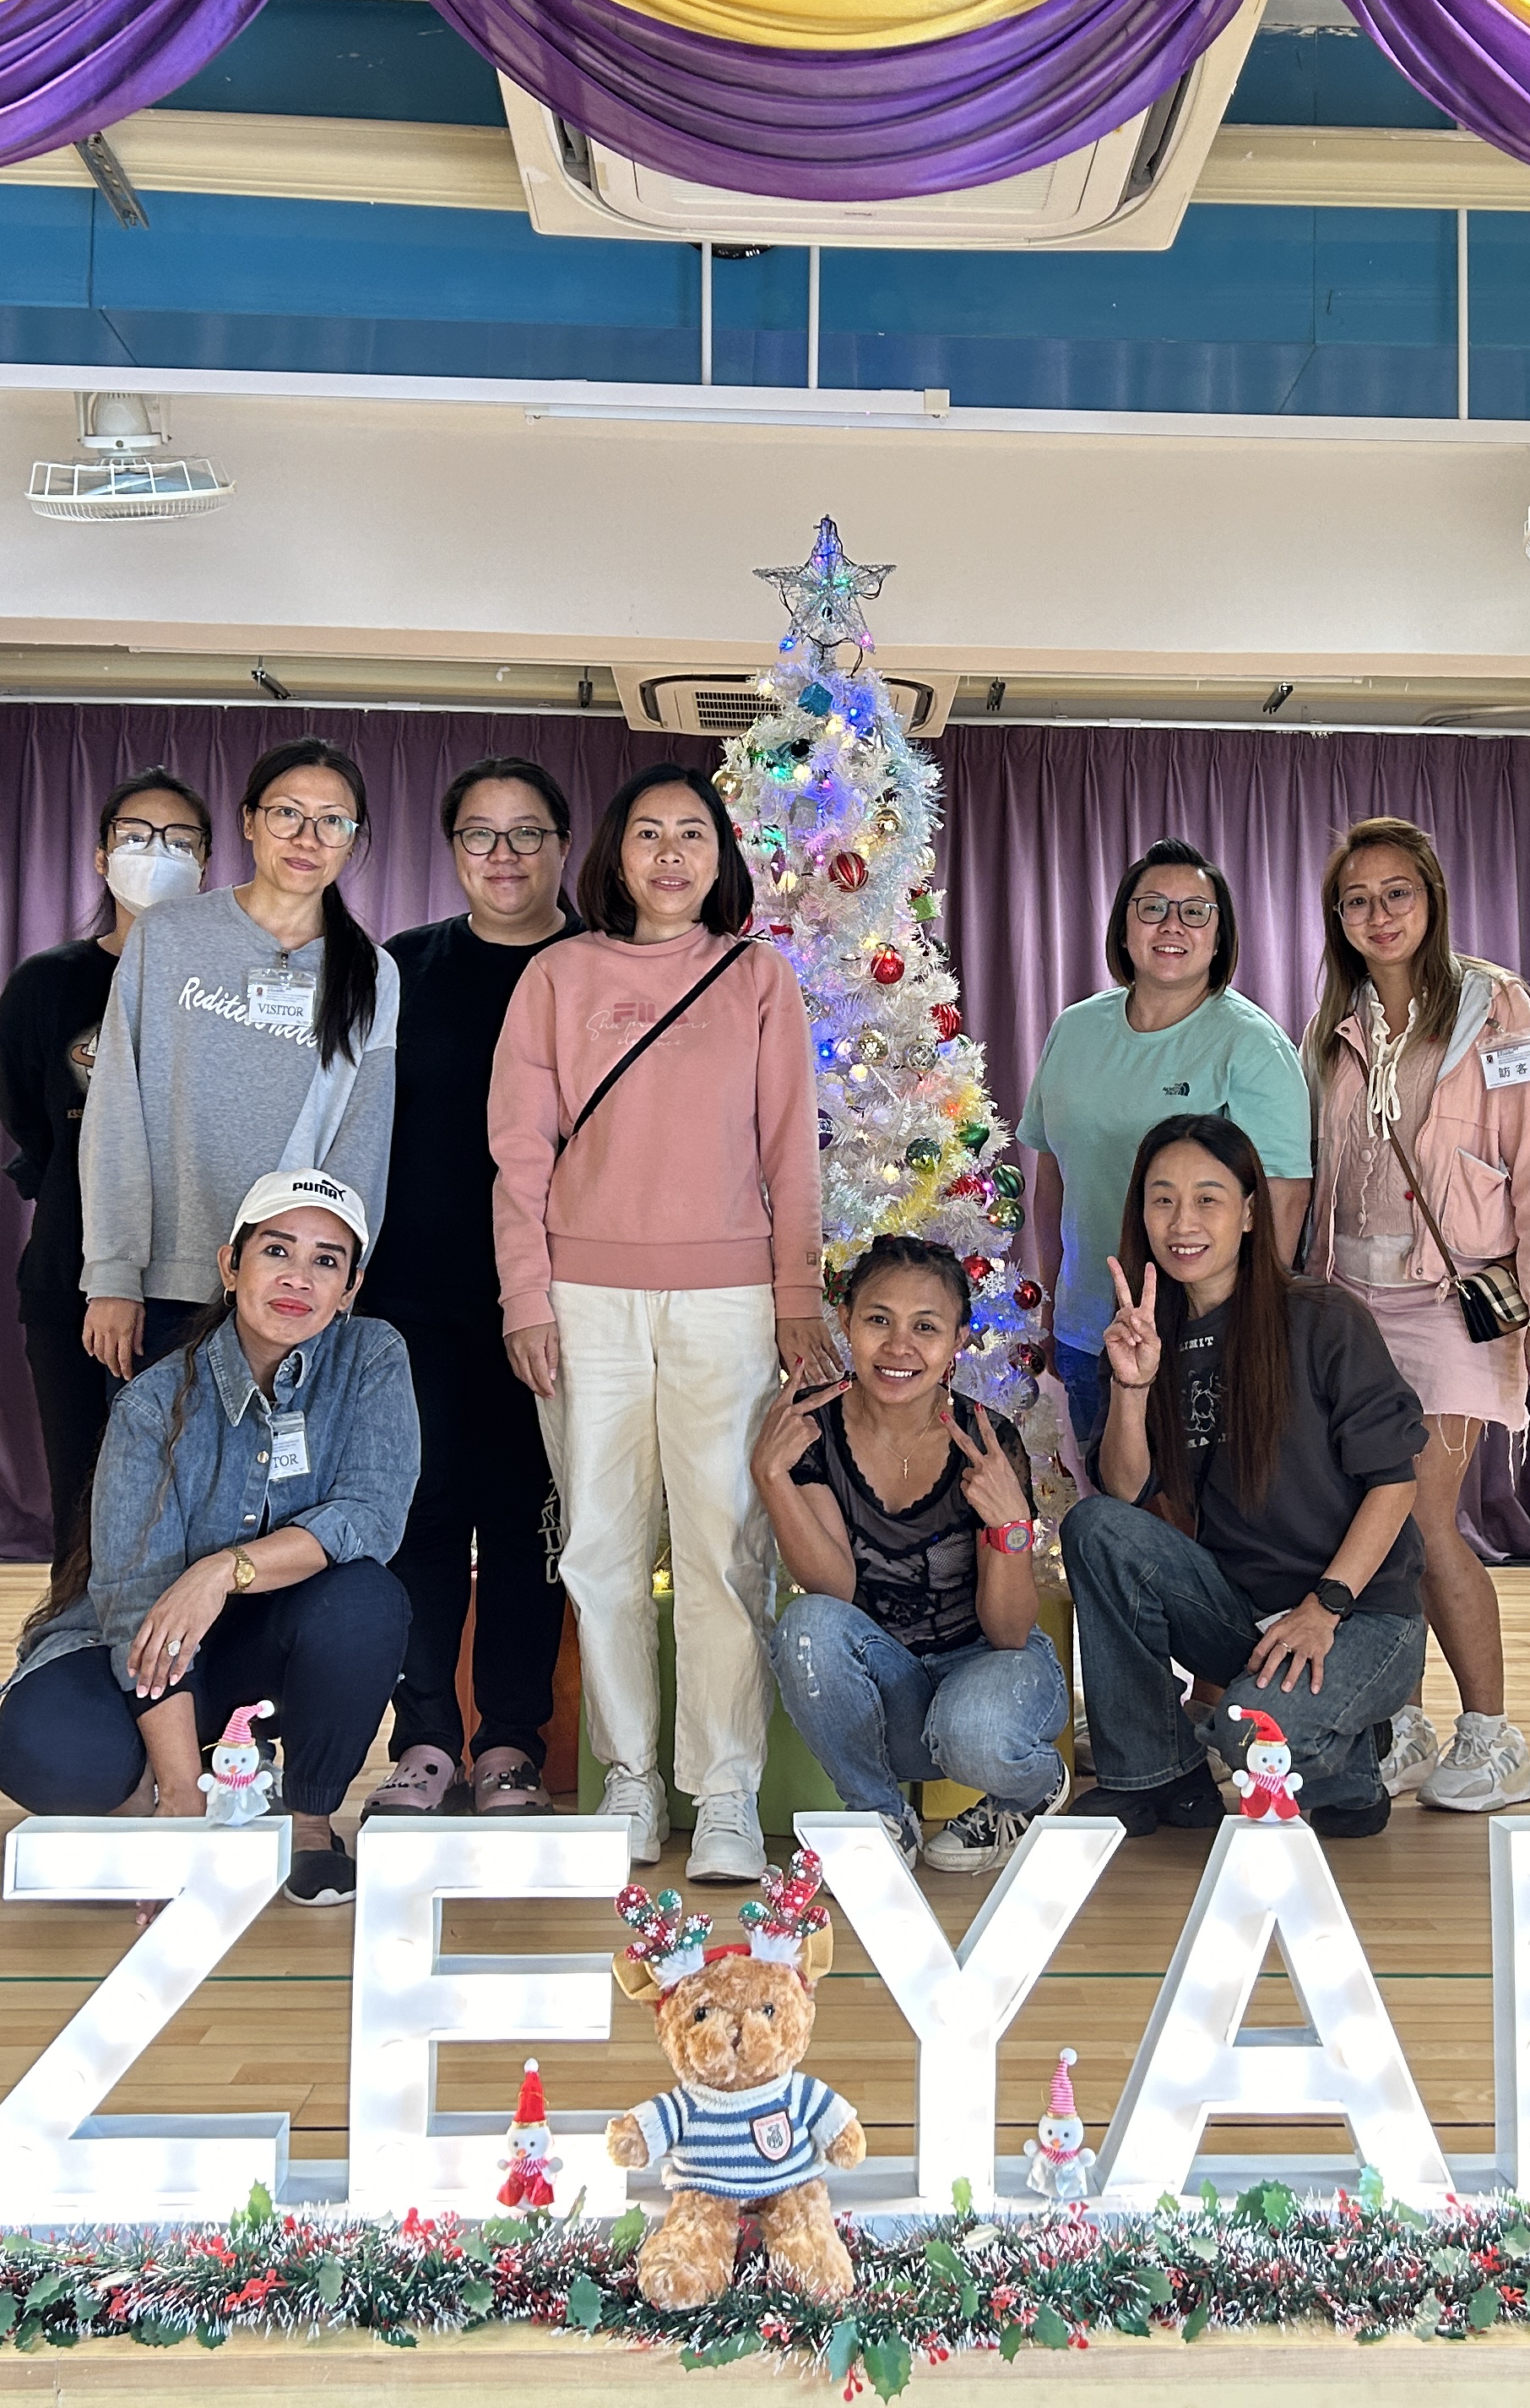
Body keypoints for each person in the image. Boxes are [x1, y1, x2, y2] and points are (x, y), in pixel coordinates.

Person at [491, 763, 836, 1883]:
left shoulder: (756, 977)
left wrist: (795, 1296)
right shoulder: (557, 975)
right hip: (584, 1299)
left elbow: (791, 1151)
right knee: (599, 1546)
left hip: (728, 1300)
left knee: (724, 1548)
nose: (672, 853)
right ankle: (630, 1778)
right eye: (649, 832)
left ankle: (725, 1791)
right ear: (617, 854)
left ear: (721, 857)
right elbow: (519, 1154)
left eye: (694, 833)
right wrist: (525, 1295)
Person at [0, 1169, 420, 1909]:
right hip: (150, 1648)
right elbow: (135, 1602)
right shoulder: (152, 1403)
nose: (299, 1278)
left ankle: (308, 1824)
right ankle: (181, 1785)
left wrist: (223, 1570)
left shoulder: (371, 1357)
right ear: (230, 1265)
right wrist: (183, 1799)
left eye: (326, 1261)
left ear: (349, 1288)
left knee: (366, 1601)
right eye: (277, 1251)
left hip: (279, 1642)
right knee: (46, 1753)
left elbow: (371, 1515)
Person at [1303, 818, 1530, 1814]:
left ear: (1432, 901)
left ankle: (1494, 1737)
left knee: (1421, 1517)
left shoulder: (1495, 1009)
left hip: (1451, 1301)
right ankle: (1405, 1722)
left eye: (1397, 894)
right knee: (1364, 1524)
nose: (1378, 915)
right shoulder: (1334, 1026)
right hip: (1348, 1301)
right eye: (1357, 900)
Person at [1061, 1114, 1429, 1840]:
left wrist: (1325, 1607)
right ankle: (1156, 1776)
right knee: (1095, 1528)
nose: (1183, 1222)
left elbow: (1394, 1482)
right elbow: (1126, 1493)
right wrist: (1133, 1387)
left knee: (1245, 1734)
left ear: (1251, 1213)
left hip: (1359, 1613)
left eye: (1208, 1198)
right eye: (1163, 1200)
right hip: (1240, 1612)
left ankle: (1353, 1757)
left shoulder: (1323, 1319)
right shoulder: (1146, 1333)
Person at [356, 758, 583, 1819]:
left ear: (564, 846)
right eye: (480, 834)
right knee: (427, 1515)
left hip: (558, 1298)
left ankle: (510, 1746)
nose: (504, 855)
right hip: (417, 1298)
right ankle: (426, 1742)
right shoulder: (401, 968)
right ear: (452, 850)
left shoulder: (601, 968)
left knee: (532, 1522)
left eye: (527, 832)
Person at [78, 739, 400, 1378]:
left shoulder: (371, 971)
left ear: (353, 840)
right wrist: (113, 1274)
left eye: (332, 822)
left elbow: (362, 1144)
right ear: (249, 821)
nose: (307, 838)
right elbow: (116, 1110)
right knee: (160, 1446)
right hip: (165, 1283)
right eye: (287, 814)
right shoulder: (167, 935)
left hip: (293, 1293)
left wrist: (334, 1279)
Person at [757, 1237, 1068, 1876]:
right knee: (806, 1626)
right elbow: (834, 1592)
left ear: (957, 1341)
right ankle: (879, 1818)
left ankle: (1031, 1791)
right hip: (889, 1687)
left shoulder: (987, 1439)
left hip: (989, 1671)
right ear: (846, 1321)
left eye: (925, 1327)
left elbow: (1010, 1633)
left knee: (973, 1731)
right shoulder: (814, 1427)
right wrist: (771, 1477)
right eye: (879, 1320)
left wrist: (1010, 1527)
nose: (898, 1347)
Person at [1017, 840, 1311, 1453]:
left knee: (1195, 1505)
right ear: (1124, 929)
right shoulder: (1074, 1029)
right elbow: (1053, 1177)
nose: (1172, 925)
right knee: (1108, 1500)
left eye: (1195, 911)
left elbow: (1281, 1201)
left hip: (1198, 1335)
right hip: (1085, 1329)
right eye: (1152, 907)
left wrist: (1246, 1328)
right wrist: (1051, 1300)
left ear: (1219, 937)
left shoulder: (1251, 1045)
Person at [0, 768, 210, 1565]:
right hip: (72, 1270)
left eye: (180, 841)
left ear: (207, 863)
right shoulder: (47, 984)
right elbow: (29, 1117)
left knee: (185, 1498)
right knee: (85, 1499)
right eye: (136, 837)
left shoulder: (225, 983)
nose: (157, 853)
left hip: (197, 1280)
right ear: (100, 856)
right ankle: (76, 1638)